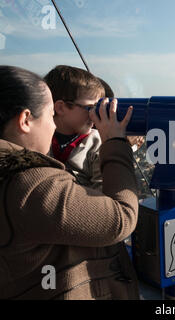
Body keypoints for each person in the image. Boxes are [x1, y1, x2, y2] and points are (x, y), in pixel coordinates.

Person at [0, 65, 139, 300]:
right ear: (25, 120)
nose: (53, 125)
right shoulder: (30, 187)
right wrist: (116, 142)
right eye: (48, 115)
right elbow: (121, 218)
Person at [44, 65, 106, 190]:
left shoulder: (97, 143)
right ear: (61, 107)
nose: (94, 115)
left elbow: (102, 191)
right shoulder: (40, 138)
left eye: (97, 108)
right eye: (90, 108)